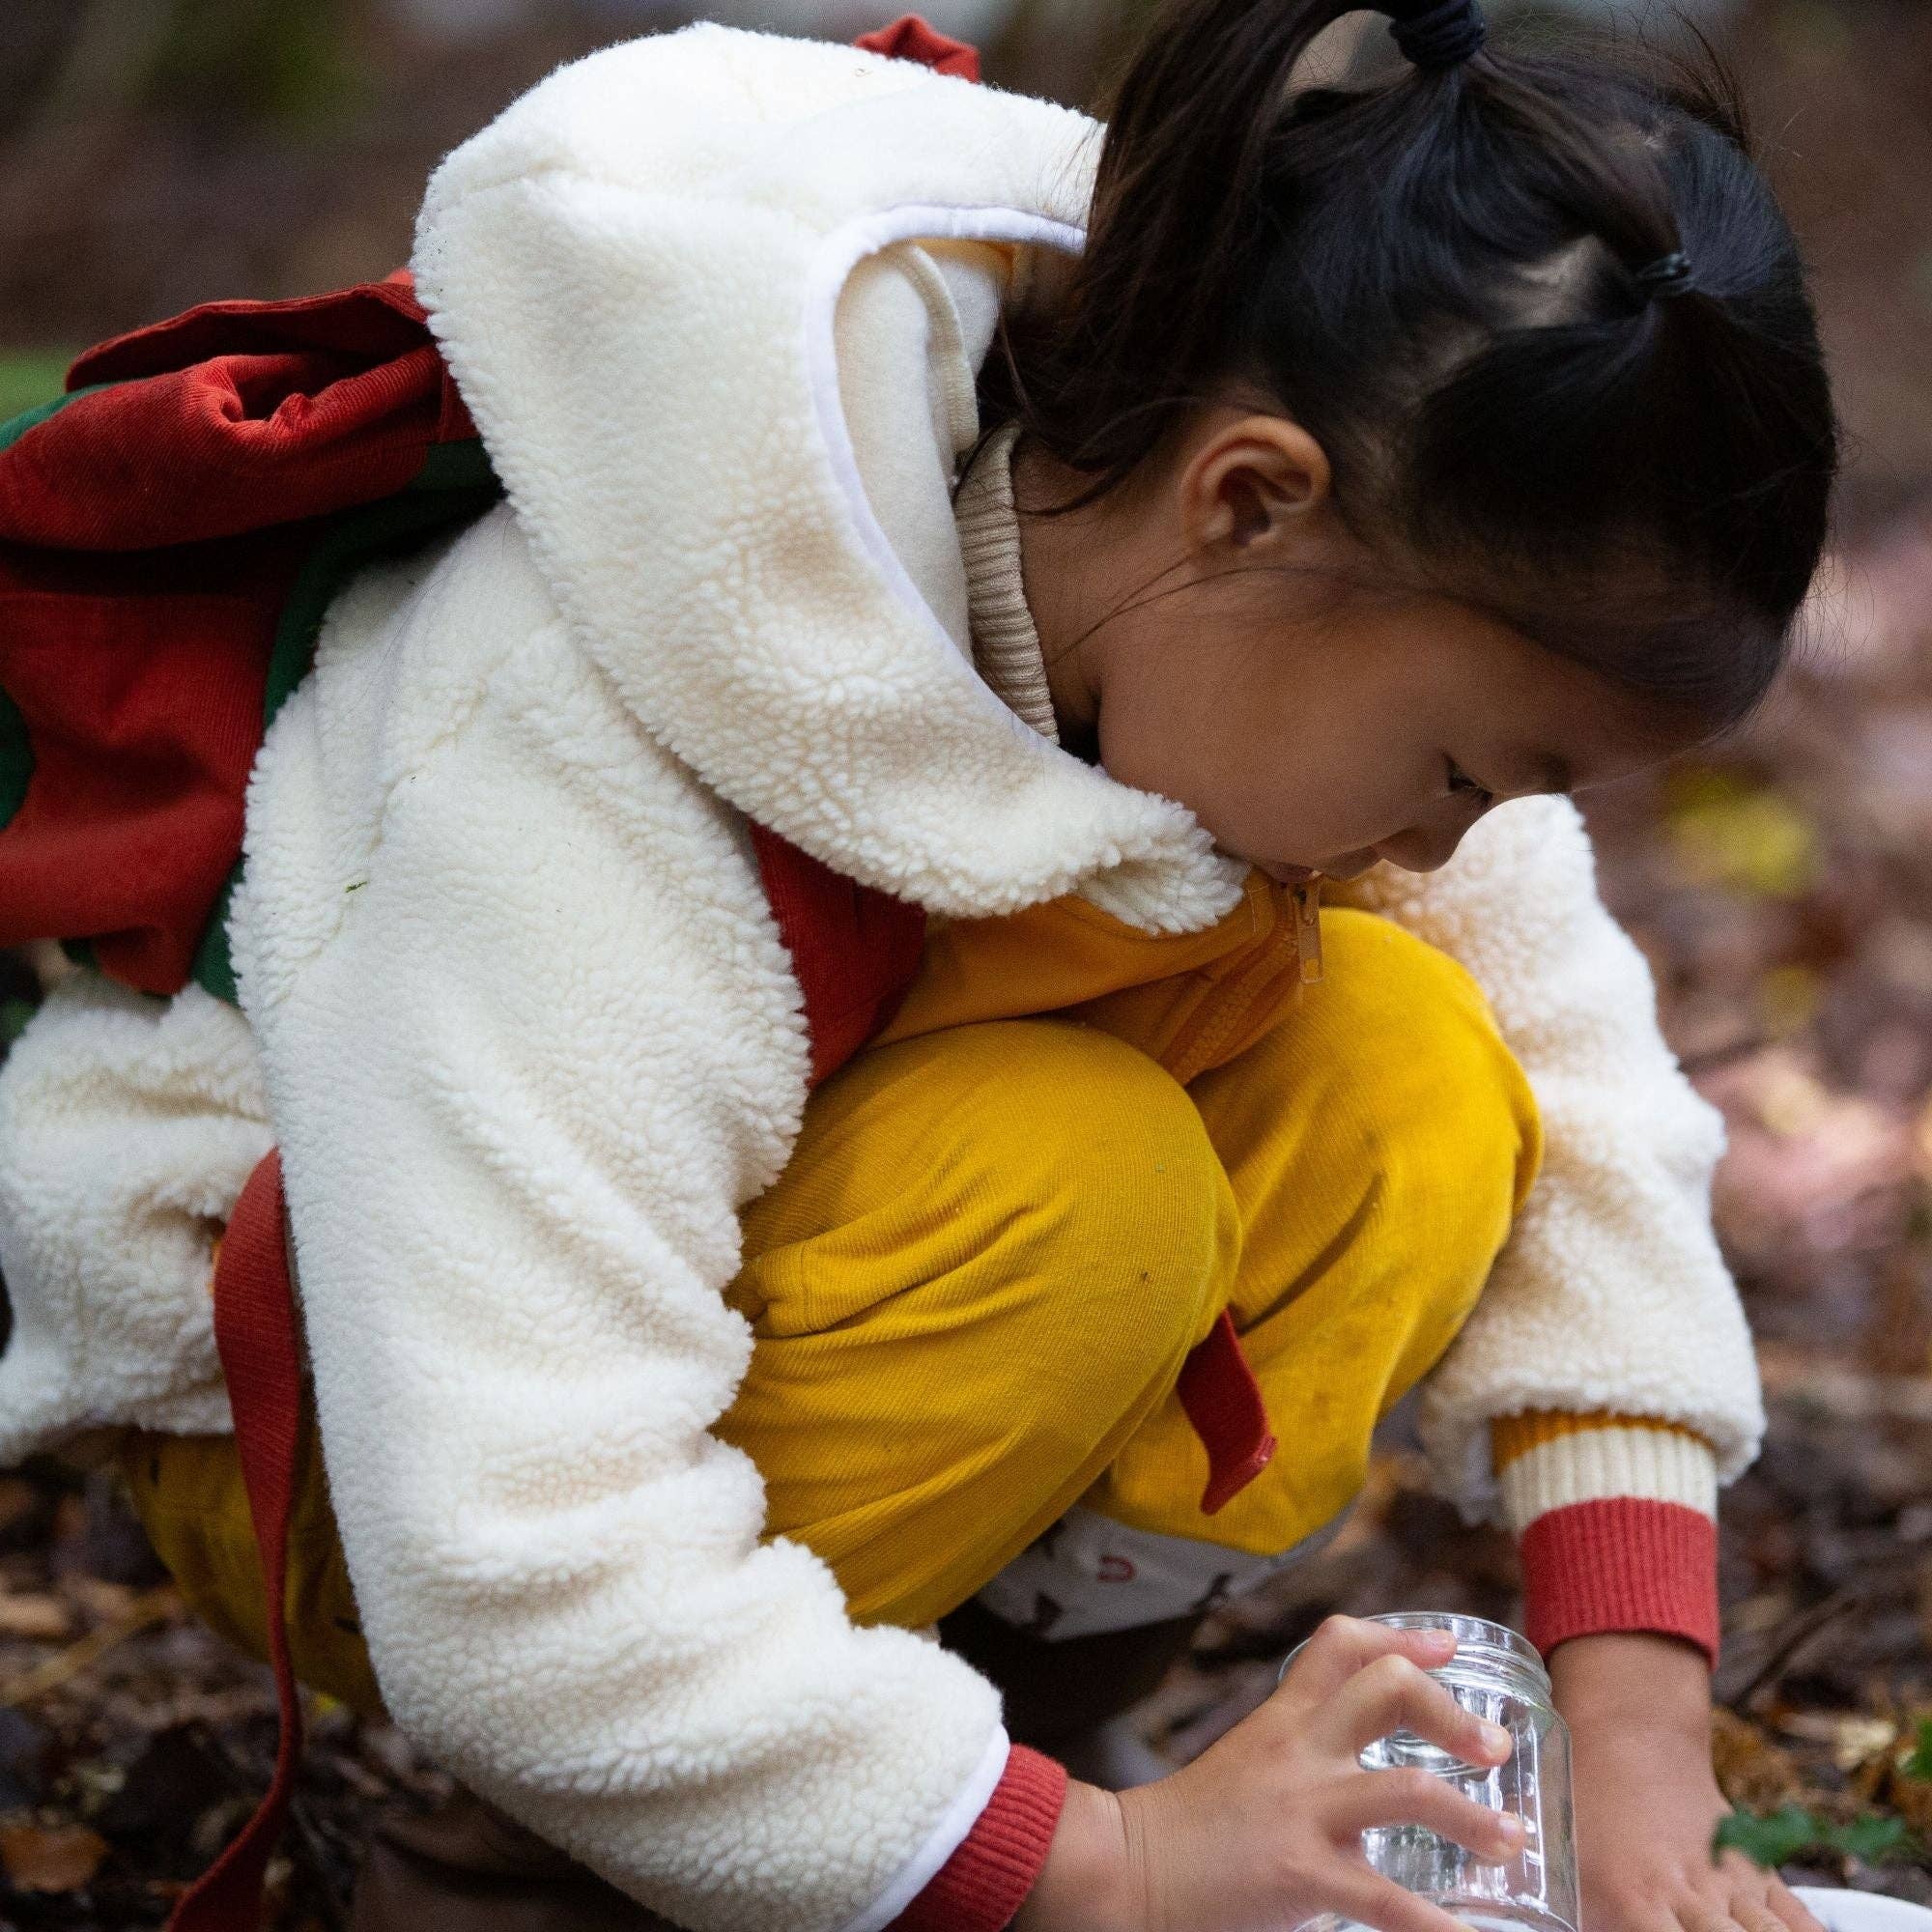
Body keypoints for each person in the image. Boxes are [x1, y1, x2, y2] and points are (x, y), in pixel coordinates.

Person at [0, 1, 1839, 1928]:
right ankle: (529, 1872)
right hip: (347, 1422)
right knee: (1085, 1180)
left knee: (1420, 1075)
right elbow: (506, 1546)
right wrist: (1111, 1874)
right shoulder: (597, 717)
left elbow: (1584, 1109)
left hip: (716, 1313)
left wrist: (1637, 1746)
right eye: (1458, 771)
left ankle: (958, 1759)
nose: (1453, 842)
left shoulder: (1282, 623)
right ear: (1247, 499)